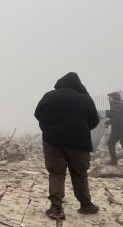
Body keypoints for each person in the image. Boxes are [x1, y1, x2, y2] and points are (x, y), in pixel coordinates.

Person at [34, 72, 101, 219]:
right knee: (79, 173)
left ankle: (55, 208)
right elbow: (95, 121)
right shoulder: (85, 98)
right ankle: (86, 205)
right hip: (78, 143)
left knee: (56, 173)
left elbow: (38, 114)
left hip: (52, 142)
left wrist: (48, 128)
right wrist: (80, 129)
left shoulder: (49, 96)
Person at [105, 91, 123, 167]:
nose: (108, 99)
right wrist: (109, 122)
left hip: (119, 128)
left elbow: (116, 116)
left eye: (109, 98)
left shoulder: (115, 105)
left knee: (110, 143)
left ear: (114, 98)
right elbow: (120, 117)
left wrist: (107, 113)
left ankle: (113, 161)